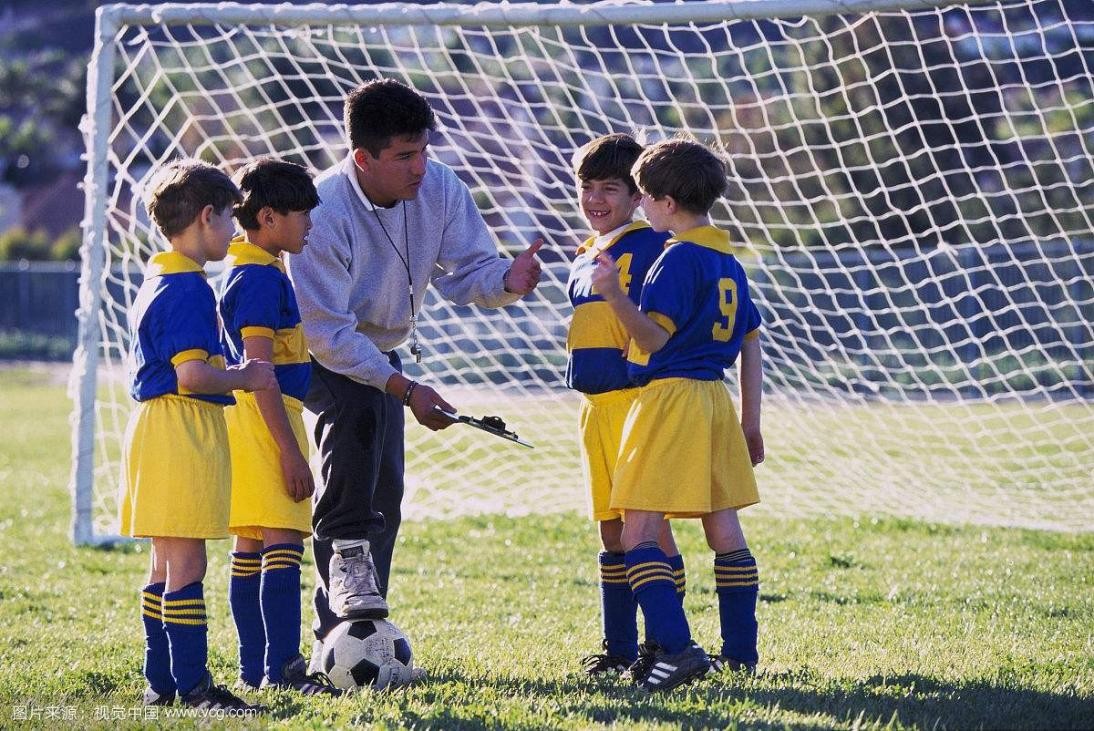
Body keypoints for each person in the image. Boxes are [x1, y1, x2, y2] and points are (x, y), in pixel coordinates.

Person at [287, 78, 543, 661]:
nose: (420, 167)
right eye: (405, 155)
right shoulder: (322, 210)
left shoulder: (441, 185)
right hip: (317, 350)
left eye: (424, 149)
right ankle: (344, 596)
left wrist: (506, 280)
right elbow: (327, 335)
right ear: (363, 158)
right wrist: (405, 389)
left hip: (382, 351)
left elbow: (468, 269)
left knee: (387, 487)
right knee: (353, 430)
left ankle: (356, 632)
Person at [590, 138, 765, 692]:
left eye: (643, 197)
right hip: (716, 399)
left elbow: (654, 338)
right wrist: (751, 422)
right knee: (724, 529)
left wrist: (616, 296)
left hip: (670, 400)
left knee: (639, 529)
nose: (639, 207)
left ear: (666, 202)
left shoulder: (677, 257)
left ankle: (680, 649)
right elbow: (752, 342)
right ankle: (740, 658)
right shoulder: (727, 261)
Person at [120, 159, 275, 710]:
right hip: (179, 432)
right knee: (187, 565)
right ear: (206, 216)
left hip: (155, 431)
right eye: (231, 218)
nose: (235, 231)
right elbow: (191, 376)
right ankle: (194, 687)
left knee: (165, 564)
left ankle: (160, 684)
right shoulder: (188, 288)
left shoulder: (157, 276)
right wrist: (246, 375)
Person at [565, 134, 688, 676]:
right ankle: (618, 650)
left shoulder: (649, 247)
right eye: (586, 187)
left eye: (609, 188)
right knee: (612, 530)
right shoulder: (588, 250)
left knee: (650, 529)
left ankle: (667, 642)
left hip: (638, 404)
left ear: (636, 196)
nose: (595, 198)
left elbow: (658, 319)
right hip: (596, 409)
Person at [218, 158, 340, 696]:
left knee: (249, 544)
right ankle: (285, 669)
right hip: (266, 420)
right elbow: (261, 373)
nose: (310, 223)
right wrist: (291, 453)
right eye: (302, 214)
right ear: (269, 217)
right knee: (283, 540)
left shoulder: (251, 269)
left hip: (241, 422)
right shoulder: (262, 279)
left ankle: (254, 670)